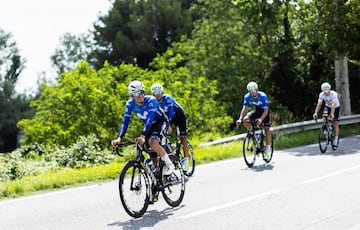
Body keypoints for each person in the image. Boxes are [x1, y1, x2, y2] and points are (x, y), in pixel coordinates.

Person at [111, 80, 175, 176]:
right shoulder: (129, 104)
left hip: (160, 122)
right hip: (150, 126)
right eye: (136, 93)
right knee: (149, 149)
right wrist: (119, 138)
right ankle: (157, 172)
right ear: (131, 95)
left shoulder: (151, 100)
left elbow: (150, 118)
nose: (140, 95)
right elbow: (125, 122)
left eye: (141, 92)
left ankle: (170, 165)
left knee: (152, 142)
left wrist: (143, 135)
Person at [150, 83, 190, 171]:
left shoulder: (167, 98)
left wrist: (167, 124)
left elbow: (171, 113)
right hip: (167, 118)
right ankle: (169, 149)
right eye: (155, 93)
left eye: (159, 92)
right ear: (152, 94)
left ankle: (186, 162)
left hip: (178, 117)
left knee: (183, 138)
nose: (158, 95)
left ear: (162, 92)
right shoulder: (152, 102)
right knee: (162, 132)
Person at [235, 81, 272, 158]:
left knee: (267, 129)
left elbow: (266, 111)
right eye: (250, 92)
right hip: (257, 111)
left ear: (257, 90)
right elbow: (244, 108)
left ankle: (268, 148)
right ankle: (253, 134)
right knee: (245, 120)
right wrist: (240, 119)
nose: (252, 93)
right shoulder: (247, 97)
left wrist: (261, 119)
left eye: (253, 91)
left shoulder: (263, 96)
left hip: (265, 112)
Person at [313, 82, 340, 147]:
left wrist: (332, 114)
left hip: (335, 107)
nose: (326, 93)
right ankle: (326, 129)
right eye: (325, 92)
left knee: (335, 123)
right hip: (327, 106)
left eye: (327, 92)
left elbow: (333, 104)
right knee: (324, 116)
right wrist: (316, 112)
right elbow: (319, 104)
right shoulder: (321, 95)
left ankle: (336, 139)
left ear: (330, 89)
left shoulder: (334, 94)